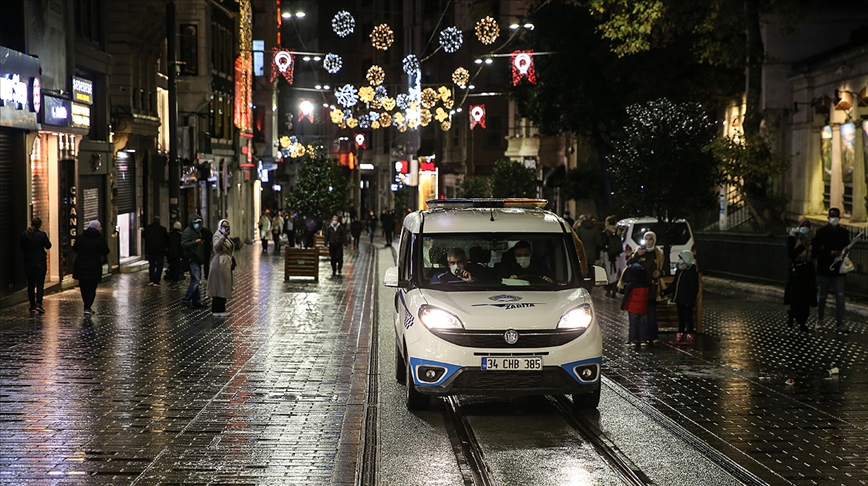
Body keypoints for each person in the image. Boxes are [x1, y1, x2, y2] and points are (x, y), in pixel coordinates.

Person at [812, 208, 851, 333]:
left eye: (836, 216)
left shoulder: (844, 233)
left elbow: (847, 247)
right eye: (832, 216)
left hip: (838, 270)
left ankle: (840, 322)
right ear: (828, 217)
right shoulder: (821, 232)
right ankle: (819, 319)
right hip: (824, 269)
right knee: (822, 296)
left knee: (840, 297)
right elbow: (816, 250)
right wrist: (829, 252)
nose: (834, 218)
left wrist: (844, 251)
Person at [625, 231, 665, 344]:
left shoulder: (658, 254)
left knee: (651, 314)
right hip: (639, 289)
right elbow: (629, 264)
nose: (648, 242)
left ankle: (653, 336)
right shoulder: (639, 251)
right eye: (646, 239)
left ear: (654, 241)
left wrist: (660, 272)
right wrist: (637, 255)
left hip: (652, 288)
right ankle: (637, 338)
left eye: (650, 239)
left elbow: (665, 268)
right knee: (638, 316)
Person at [783, 219, 817, 332]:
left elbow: (815, 254)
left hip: (807, 271)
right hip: (796, 271)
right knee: (795, 298)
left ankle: (803, 322)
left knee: (806, 298)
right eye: (804, 225)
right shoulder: (793, 237)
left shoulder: (812, 238)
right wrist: (802, 245)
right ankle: (792, 314)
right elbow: (791, 254)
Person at [72, 220, 110, 316]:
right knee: (92, 287)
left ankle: (86, 305)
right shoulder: (100, 239)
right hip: (94, 266)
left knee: (83, 286)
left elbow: (75, 248)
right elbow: (106, 251)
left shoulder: (80, 237)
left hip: (81, 265)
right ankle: (87, 306)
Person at [663, 250, 700, 345]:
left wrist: (691, 299)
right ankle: (680, 335)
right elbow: (675, 284)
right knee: (681, 318)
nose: (679, 260)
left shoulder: (691, 271)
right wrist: (665, 292)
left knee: (688, 317)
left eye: (681, 258)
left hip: (687, 299)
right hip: (679, 299)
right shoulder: (679, 271)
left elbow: (694, 287)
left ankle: (689, 336)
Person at [20, 217, 52, 313]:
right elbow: (48, 245)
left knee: (30, 284)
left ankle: (32, 305)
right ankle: (39, 303)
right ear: (40, 225)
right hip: (40, 262)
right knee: (40, 283)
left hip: (28, 262)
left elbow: (21, 246)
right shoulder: (41, 235)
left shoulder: (24, 235)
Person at [207, 219, 235, 317]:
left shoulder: (226, 237)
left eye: (227, 226)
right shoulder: (217, 235)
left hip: (225, 263)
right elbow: (216, 247)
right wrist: (223, 237)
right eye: (224, 226)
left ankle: (221, 309)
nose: (226, 228)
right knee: (219, 286)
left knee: (224, 286)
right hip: (219, 264)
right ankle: (217, 310)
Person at [620, 263, 650, 347]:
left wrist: (623, 307)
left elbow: (627, 297)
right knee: (642, 325)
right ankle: (643, 340)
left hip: (633, 308)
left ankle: (632, 340)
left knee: (633, 325)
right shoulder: (646, 284)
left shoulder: (631, 285)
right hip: (643, 308)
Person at [181, 214, 207, 308]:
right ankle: (186, 299)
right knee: (195, 280)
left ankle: (196, 300)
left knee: (195, 278)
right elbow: (184, 245)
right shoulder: (188, 232)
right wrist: (194, 242)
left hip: (196, 258)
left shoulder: (197, 232)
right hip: (192, 258)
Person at [602, 215, 625, 298]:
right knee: (615, 273)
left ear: (607, 222)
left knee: (608, 272)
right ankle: (614, 290)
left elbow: (602, 244)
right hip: (616, 255)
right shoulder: (618, 231)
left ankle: (608, 291)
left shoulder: (605, 232)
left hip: (607, 254)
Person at [142, 216, 168, 287]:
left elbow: (143, 235)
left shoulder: (148, 228)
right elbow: (166, 239)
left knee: (152, 265)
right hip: (160, 251)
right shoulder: (163, 229)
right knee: (159, 266)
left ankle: (151, 280)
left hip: (150, 250)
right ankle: (157, 280)